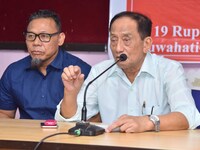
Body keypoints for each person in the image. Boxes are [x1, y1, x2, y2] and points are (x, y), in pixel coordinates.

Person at [55, 11, 200, 132]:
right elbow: (69, 120)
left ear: (146, 44)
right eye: (113, 40)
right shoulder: (100, 71)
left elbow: (188, 116)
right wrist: (70, 94)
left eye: (126, 40)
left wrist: (148, 122)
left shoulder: (169, 69)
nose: (118, 48)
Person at [0, 9, 91, 119]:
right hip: (26, 134)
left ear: (60, 39)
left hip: (66, 134)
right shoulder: (13, 72)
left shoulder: (81, 72)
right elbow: (4, 114)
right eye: (30, 36)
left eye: (44, 36)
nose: (36, 43)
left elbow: (92, 118)